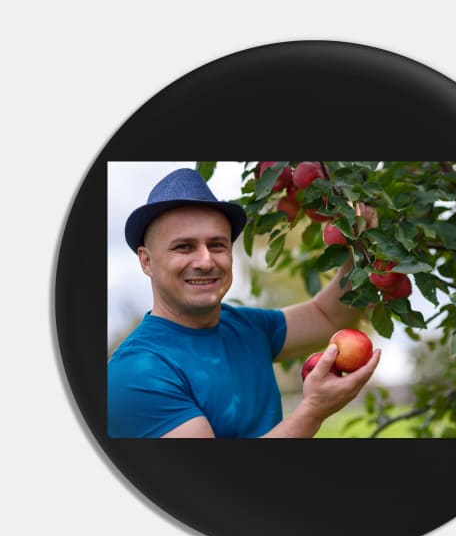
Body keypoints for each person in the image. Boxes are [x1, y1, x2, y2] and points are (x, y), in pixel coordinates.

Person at [108, 167, 381, 438]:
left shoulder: (246, 327)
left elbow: (329, 317)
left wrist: (361, 248)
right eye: (184, 247)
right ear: (146, 261)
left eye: (217, 245)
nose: (205, 261)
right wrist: (313, 411)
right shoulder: (135, 372)